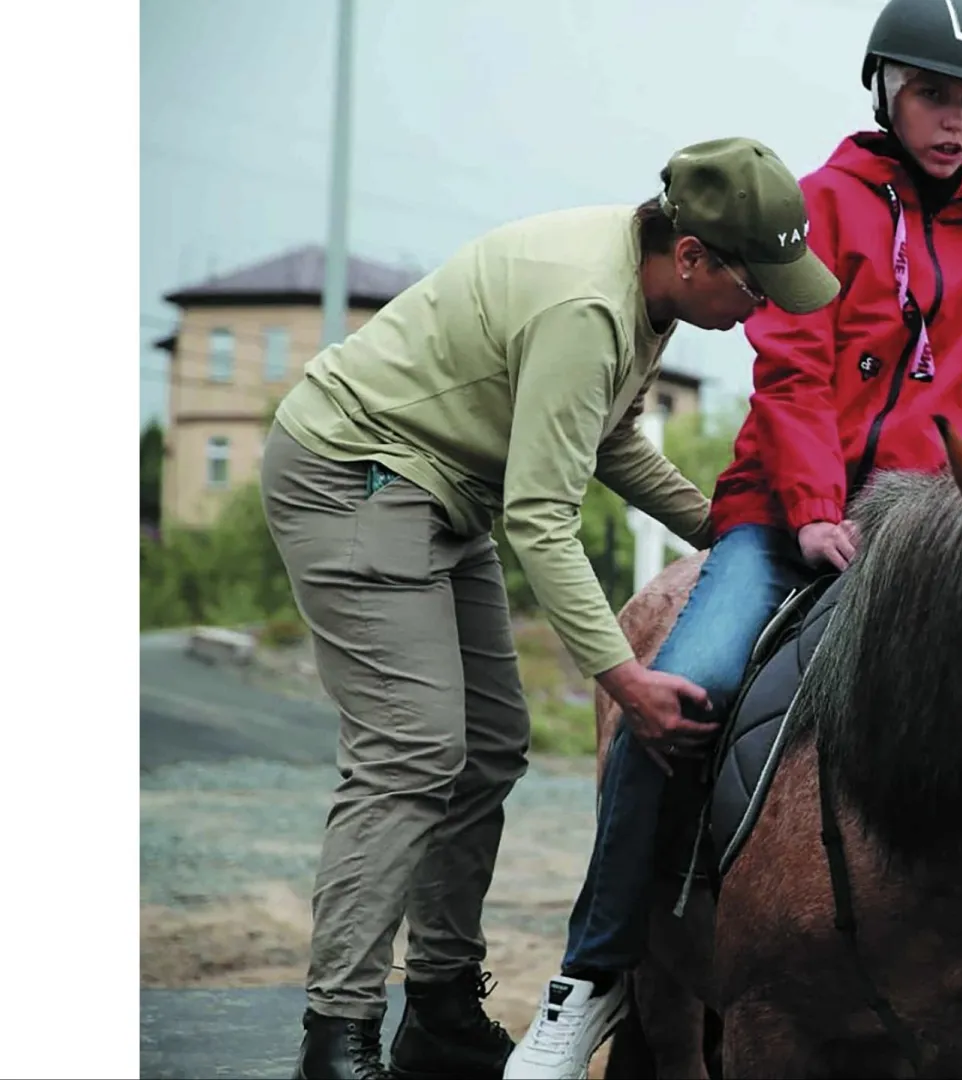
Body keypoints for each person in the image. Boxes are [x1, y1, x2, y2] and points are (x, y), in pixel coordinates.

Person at [506, 1, 962, 1076]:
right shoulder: (817, 207)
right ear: (886, 89)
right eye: (934, 93)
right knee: (687, 696)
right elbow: (793, 371)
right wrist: (812, 507)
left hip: (936, 537)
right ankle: (598, 972)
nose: (954, 117)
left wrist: (958, 528)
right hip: (786, 515)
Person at [260, 136, 838, 1080]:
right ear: (692, 257)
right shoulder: (588, 307)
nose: (765, 307)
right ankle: (339, 1034)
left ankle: (440, 1010)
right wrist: (624, 677)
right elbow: (539, 518)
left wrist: (729, 533)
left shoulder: (648, 297)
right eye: (757, 284)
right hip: (354, 479)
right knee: (412, 750)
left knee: (488, 744)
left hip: (440, 490)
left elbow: (609, 444)